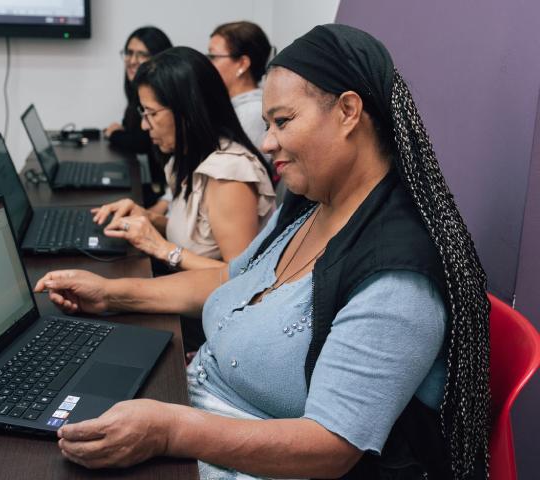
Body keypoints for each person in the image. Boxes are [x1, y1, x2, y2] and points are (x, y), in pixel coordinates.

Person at [36, 24, 490, 480]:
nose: (268, 141)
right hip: (197, 415)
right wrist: (113, 294)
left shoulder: (397, 279)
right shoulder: (309, 201)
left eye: (283, 121)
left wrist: (169, 431)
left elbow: (328, 448)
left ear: (349, 111)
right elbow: (235, 279)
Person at [93, 46, 276, 271]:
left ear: (187, 112)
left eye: (152, 114)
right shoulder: (191, 156)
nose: (144, 125)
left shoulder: (229, 175)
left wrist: (161, 248)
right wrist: (147, 218)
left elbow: (239, 277)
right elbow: (200, 240)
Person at [104, 26, 172, 208]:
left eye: (142, 54)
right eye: (129, 53)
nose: (133, 61)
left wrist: (115, 135)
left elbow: (142, 141)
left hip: (164, 193)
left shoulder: (165, 94)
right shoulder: (136, 91)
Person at [207, 21, 271, 154]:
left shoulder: (253, 113)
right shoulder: (233, 106)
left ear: (243, 63)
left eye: (213, 56)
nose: (208, 63)